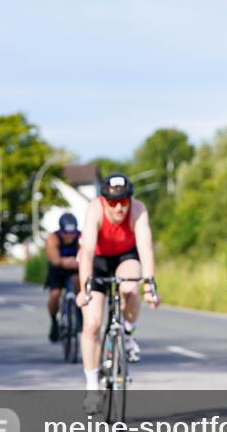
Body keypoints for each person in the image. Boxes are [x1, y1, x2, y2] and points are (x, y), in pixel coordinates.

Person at [76, 174, 159, 414]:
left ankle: (128, 333)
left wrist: (150, 287)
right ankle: (92, 386)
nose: (119, 207)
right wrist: (84, 289)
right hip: (98, 259)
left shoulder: (138, 210)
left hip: (125, 255)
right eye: (113, 202)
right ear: (105, 200)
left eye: (123, 200)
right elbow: (88, 252)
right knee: (91, 324)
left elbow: (145, 249)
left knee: (130, 286)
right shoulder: (95, 210)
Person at [45, 212, 81, 342]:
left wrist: (77, 263)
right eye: (66, 233)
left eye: (72, 233)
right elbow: (54, 259)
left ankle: (79, 311)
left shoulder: (80, 237)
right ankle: (54, 321)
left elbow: (86, 253)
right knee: (54, 294)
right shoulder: (53, 238)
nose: (69, 237)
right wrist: (64, 261)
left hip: (75, 268)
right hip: (58, 268)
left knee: (77, 282)